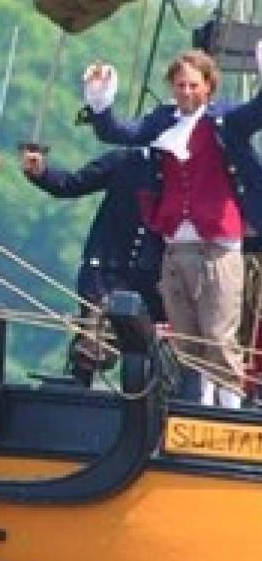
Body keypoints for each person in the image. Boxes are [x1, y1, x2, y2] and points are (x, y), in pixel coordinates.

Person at [81, 43, 262, 407]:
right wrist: (100, 103)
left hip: (218, 243)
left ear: (208, 86)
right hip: (176, 243)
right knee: (187, 338)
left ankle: (227, 411)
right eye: (180, 85)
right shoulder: (163, 121)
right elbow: (121, 132)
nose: (186, 92)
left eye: (194, 85)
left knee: (219, 333)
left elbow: (256, 112)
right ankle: (197, 405)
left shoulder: (225, 120)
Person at [22, 146, 165, 386]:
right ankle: (78, 385)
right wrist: (42, 173)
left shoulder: (188, 175)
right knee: (94, 337)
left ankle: (149, 394)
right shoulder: (124, 161)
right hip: (105, 271)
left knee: (150, 346)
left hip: (153, 279)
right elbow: (72, 184)